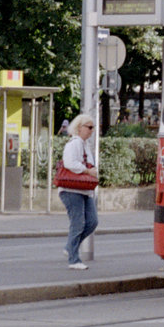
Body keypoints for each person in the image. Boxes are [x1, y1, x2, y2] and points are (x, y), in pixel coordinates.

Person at [60, 113, 99, 270]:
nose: (91, 130)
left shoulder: (85, 145)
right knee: (78, 223)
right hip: (71, 189)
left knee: (92, 222)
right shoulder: (74, 143)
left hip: (83, 190)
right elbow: (70, 163)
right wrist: (88, 171)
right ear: (79, 127)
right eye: (89, 127)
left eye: (92, 127)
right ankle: (74, 259)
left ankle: (70, 246)